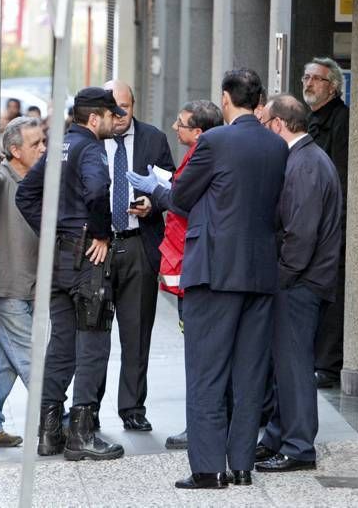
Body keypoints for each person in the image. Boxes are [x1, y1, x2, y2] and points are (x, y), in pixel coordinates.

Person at [170, 68, 287, 489]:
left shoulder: (215, 141)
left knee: (206, 371)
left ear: (225, 99)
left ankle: (207, 469)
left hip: (215, 271)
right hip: (259, 272)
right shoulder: (277, 145)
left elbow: (180, 196)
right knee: (250, 373)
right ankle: (240, 466)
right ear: (258, 100)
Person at [16, 87, 125, 461]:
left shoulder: (58, 147)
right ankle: (81, 434)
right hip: (86, 261)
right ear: (94, 119)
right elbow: (98, 191)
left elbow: (25, 196)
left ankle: (48, 436)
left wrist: (50, 235)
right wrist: (100, 234)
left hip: (58, 259)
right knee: (92, 343)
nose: (115, 121)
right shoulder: (90, 148)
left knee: (61, 344)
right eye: (111, 116)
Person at [126, 99, 224, 449]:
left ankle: (200, 426)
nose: (174, 128)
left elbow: (183, 201)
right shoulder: (199, 155)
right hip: (187, 263)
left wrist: (157, 191)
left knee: (200, 353)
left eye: (181, 123)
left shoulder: (203, 156)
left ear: (198, 132)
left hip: (193, 266)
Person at [254, 94, 343, 473]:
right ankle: (277, 435)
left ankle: (299, 447)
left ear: (279, 125)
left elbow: (300, 234)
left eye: (264, 125)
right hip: (303, 280)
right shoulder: (307, 158)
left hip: (300, 283)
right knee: (285, 365)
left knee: (293, 366)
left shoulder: (305, 163)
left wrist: (281, 278)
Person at [96, 79, 175, 431]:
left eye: (124, 108)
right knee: (95, 333)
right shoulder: (90, 140)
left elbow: (172, 184)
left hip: (138, 244)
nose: (119, 115)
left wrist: (152, 201)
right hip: (99, 247)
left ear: (134, 106)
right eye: (113, 109)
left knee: (136, 332)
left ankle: (132, 408)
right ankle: (88, 410)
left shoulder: (154, 139)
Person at [0, 117, 45, 448]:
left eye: (43, 141)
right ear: (14, 151)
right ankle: (63, 418)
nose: (43, 148)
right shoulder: (0, 177)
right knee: (30, 357)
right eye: (35, 144)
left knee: (6, 361)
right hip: (4, 286)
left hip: (28, 283)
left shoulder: (40, 179)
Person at [301, 56, 349, 389]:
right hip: (308, 223)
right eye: (305, 77)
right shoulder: (306, 120)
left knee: (332, 295)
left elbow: (344, 177)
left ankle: (328, 364)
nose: (308, 83)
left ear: (332, 86)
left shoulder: (343, 122)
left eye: (316, 79)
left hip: (333, 224)